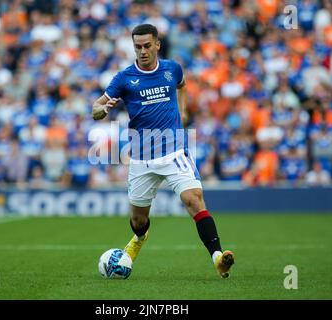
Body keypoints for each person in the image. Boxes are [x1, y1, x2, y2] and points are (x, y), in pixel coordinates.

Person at [92, 24, 234, 278]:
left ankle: (218, 258)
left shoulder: (172, 68)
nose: (143, 51)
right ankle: (139, 239)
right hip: (142, 157)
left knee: (193, 199)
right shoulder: (124, 78)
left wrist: (183, 110)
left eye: (147, 46)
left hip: (174, 150)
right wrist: (102, 111)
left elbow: (182, 85)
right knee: (138, 221)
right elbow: (95, 107)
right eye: (138, 47)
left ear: (157, 44)